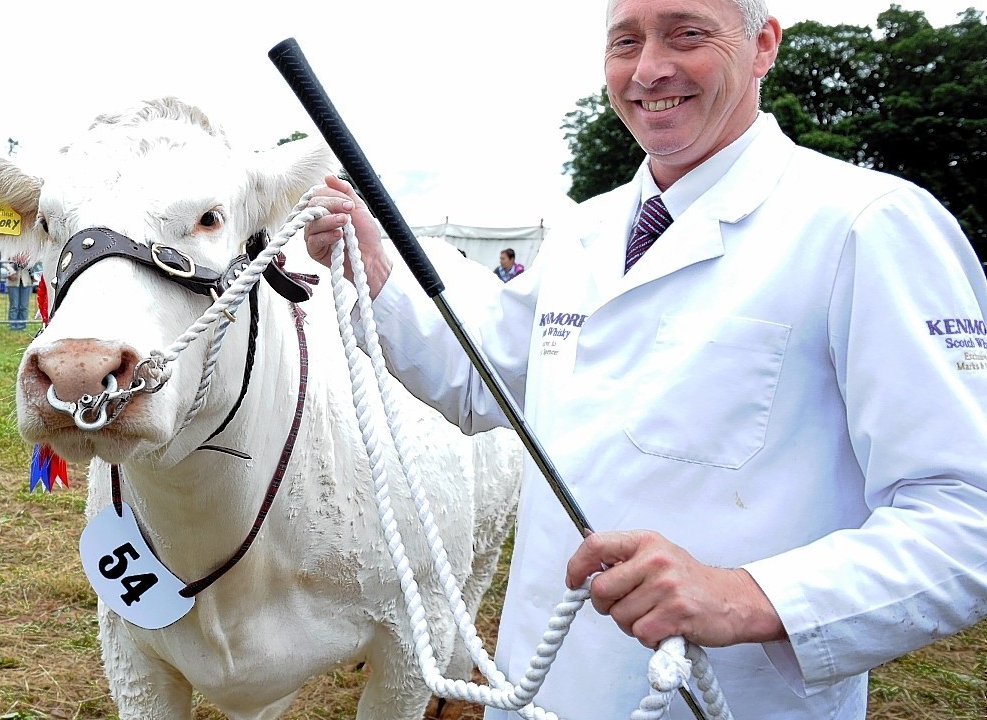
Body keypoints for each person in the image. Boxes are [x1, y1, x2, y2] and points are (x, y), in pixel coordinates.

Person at [303, 1, 987, 718]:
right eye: (625, 42)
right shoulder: (584, 233)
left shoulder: (866, 225)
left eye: (687, 34)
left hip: (724, 698)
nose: (650, 68)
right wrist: (374, 268)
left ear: (763, 46)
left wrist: (747, 597)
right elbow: (484, 380)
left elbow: (966, 519)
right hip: (544, 688)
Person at [4, 254, 35, 331]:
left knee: (24, 306)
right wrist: (11, 273)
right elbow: (4, 262)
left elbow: (35, 262)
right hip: (13, 281)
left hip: (26, 281)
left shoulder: (29, 250)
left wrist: (27, 262)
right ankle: (13, 325)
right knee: (14, 305)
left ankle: (22, 325)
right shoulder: (9, 249)